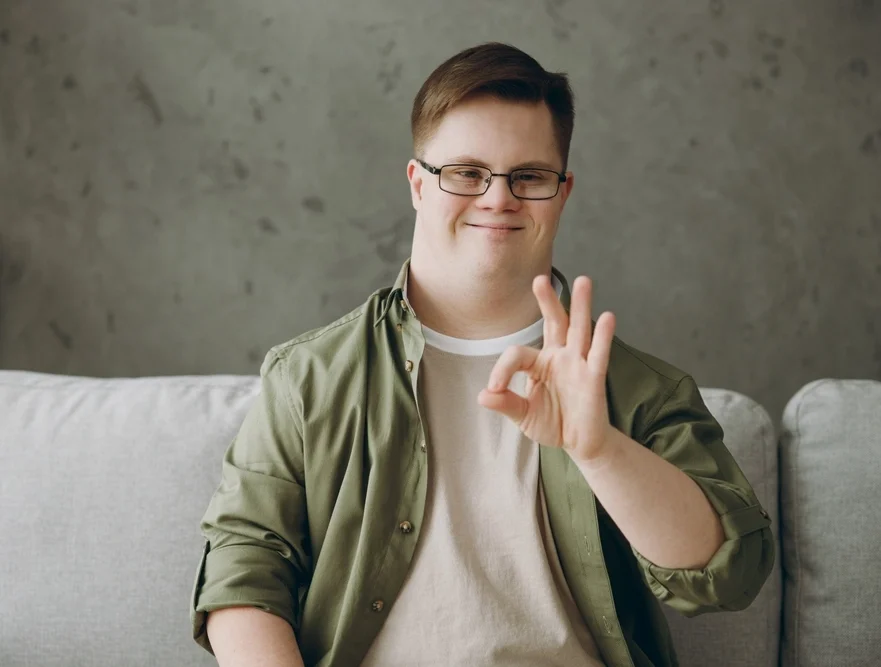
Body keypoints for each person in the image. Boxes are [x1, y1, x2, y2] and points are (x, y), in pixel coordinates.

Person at [190, 42, 775, 667]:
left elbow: (729, 572)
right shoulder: (306, 377)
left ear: (563, 191)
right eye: (466, 172)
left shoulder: (639, 387)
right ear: (418, 183)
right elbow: (243, 569)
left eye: (529, 176)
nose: (499, 198)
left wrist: (599, 449)